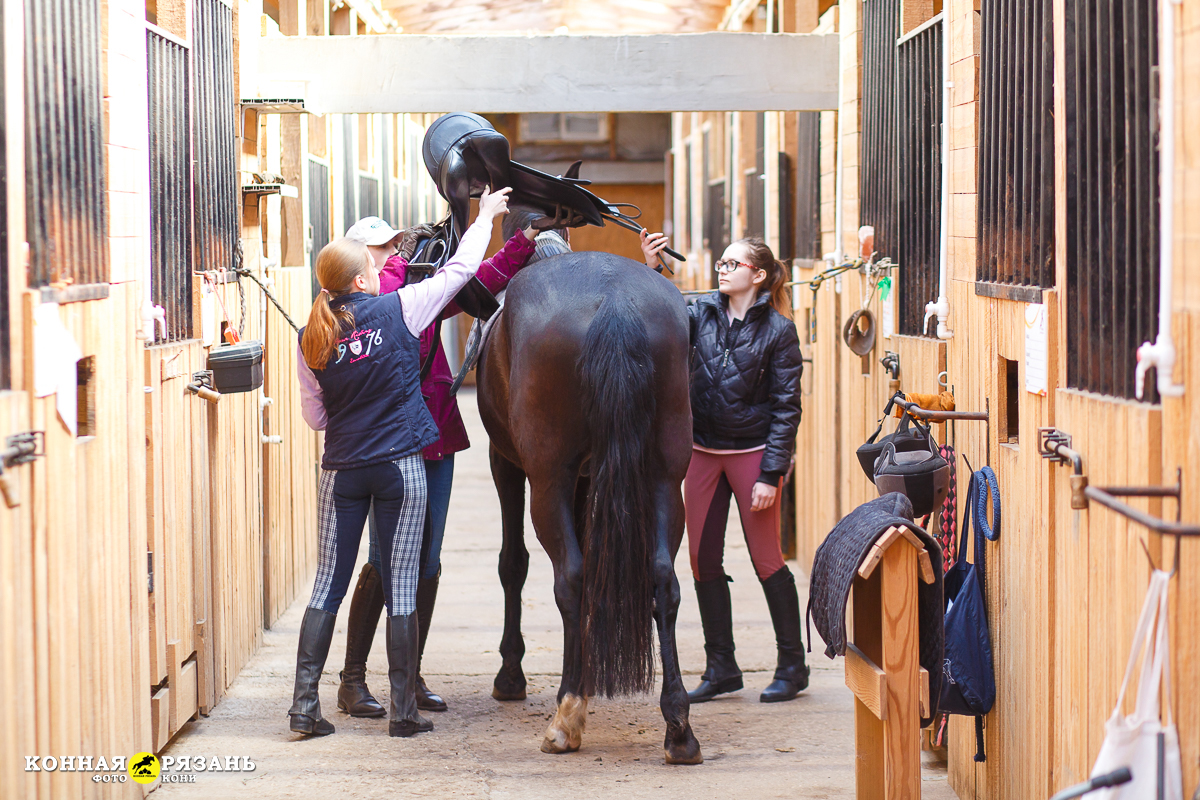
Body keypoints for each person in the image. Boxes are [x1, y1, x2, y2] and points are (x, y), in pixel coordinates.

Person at [290, 186, 511, 738]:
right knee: (404, 584)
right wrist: (484, 216)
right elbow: (461, 270)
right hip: (399, 466)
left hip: (341, 469)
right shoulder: (402, 308)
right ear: (363, 280)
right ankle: (403, 713)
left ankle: (303, 708)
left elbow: (316, 419)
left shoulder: (309, 339)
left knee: (325, 586)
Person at [333, 213, 540, 719]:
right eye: (380, 250)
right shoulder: (357, 309)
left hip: (436, 438)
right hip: (387, 447)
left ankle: (411, 675)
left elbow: (480, 279)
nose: (390, 255)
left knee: (427, 560)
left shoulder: (416, 290)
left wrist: (526, 239)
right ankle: (352, 680)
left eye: (392, 247)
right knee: (384, 562)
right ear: (357, 264)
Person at [641, 230, 808, 704]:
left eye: (733, 264)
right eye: (722, 261)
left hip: (752, 455)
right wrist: (651, 268)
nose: (722, 268)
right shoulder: (700, 312)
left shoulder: (779, 331)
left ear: (757, 275)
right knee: (701, 560)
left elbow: (786, 407)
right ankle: (722, 667)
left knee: (767, 559)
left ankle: (792, 666)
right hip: (702, 454)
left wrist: (772, 474)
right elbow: (659, 312)